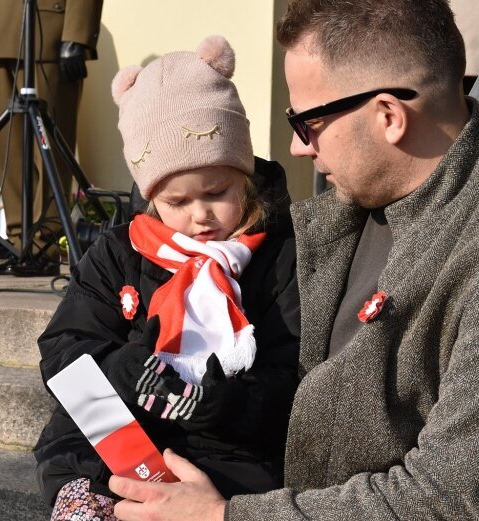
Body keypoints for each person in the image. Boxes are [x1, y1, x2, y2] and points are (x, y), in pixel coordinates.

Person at [106, 1, 479, 520]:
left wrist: (221, 517)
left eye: (308, 121)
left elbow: (446, 498)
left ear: (389, 116)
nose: (300, 149)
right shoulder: (327, 220)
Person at [34, 35, 300, 520]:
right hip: (112, 437)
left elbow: (296, 366)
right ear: (152, 198)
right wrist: (122, 370)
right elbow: (64, 346)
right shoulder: (121, 251)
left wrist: (231, 403)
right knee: (78, 475)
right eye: (177, 203)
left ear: (244, 174)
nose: (200, 215)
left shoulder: (278, 256)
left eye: (217, 192)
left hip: (230, 448)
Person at [0, 0, 102, 276]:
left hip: (50, 34)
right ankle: (18, 242)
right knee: (10, 149)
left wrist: (77, 34)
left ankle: (47, 244)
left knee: (50, 149)